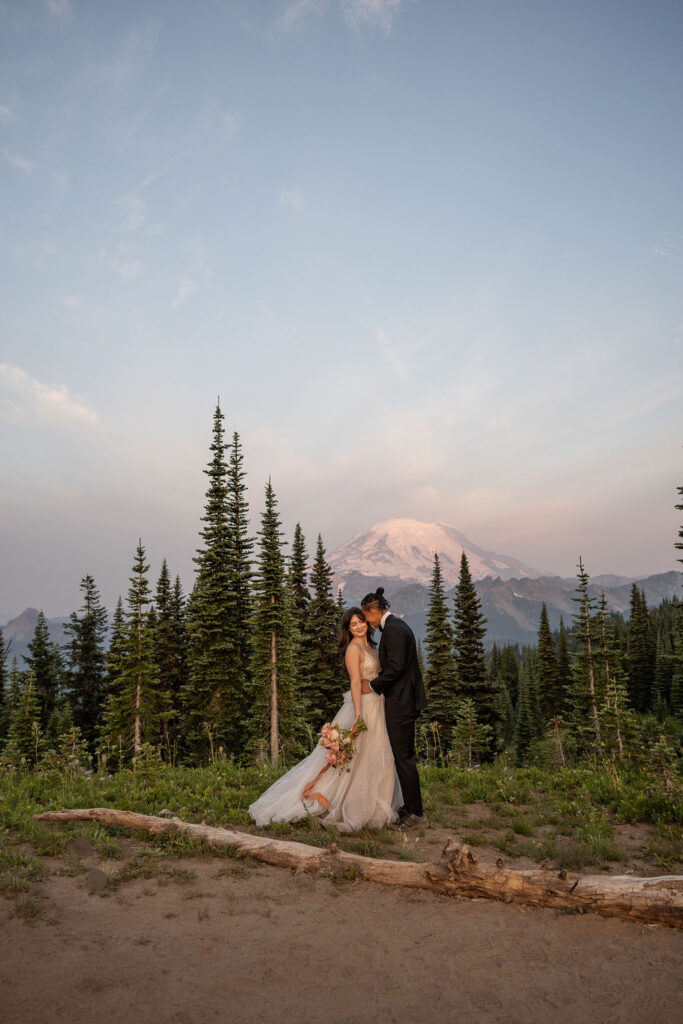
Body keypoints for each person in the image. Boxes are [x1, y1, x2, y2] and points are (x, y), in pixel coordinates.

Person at [248, 607, 402, 832]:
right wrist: (358, 714)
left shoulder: (370, 646)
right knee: (363, 758)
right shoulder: (353, 649)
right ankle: (356, 808)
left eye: (361, 621)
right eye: (353, 624)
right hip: (365, 707)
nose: (359, 626)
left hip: (379, 705)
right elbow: (354, 683)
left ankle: (378, 810)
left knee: (382, 756)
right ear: (348, 629)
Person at [360, 587, 427, 829]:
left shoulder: (394, 631)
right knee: (402, 757)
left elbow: (396, 668)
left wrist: (373, 685)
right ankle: (411, 807)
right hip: (402, 701)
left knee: (404, 758)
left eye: (367, 617)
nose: (367, 622)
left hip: (402, 703)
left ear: (374, 613)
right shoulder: (396, 627)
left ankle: (416, 813)